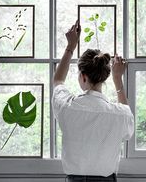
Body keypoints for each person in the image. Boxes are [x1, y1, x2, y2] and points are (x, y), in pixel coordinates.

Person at [52, 20, 134, 182]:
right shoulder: (119, 114)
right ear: (105, 77)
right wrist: (118, 79)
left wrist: (71, 46)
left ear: (83, 76)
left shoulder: (67, 106)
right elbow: (127, 116)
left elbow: (58, 81)